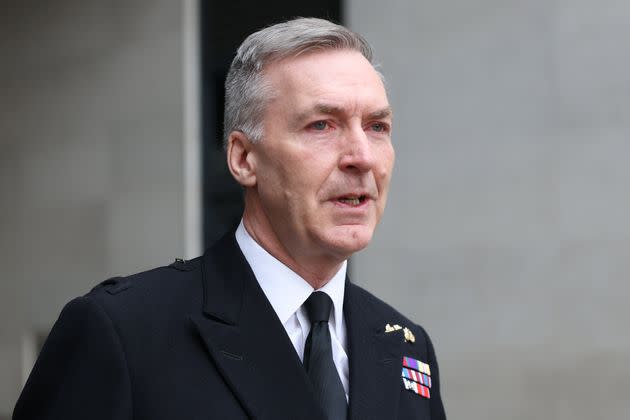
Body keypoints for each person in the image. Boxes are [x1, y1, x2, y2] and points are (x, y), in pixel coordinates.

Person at [13, 17, 446, 420]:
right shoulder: (123, 334)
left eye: (377, 127)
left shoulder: (406, 347)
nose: (362, 157)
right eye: (321, 125)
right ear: (243, 158)